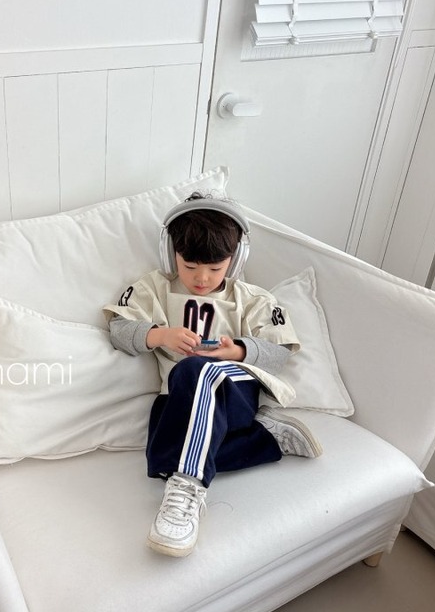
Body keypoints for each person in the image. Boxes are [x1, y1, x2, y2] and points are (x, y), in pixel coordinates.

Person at [103, 192, 322, 558]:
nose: (202, 278)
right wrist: (160, 335)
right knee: (161, 460)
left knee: (197, 370)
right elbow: (119, 330)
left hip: (234, 391)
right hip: (179, 399)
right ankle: (265, 439)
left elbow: (280, 352)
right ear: (170, 253)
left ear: (236, 260)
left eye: (215, 268)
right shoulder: (153, 289)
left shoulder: (251, 299)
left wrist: (237, 350)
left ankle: (188, 488)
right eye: (189, 266)